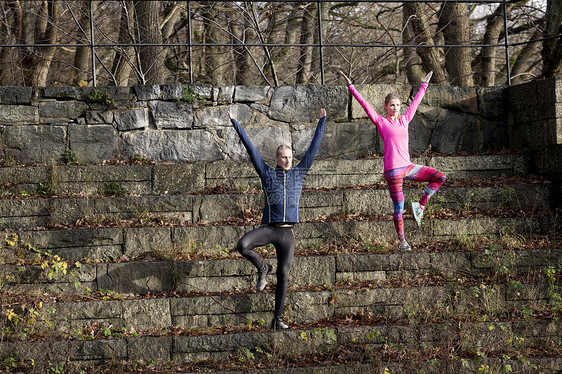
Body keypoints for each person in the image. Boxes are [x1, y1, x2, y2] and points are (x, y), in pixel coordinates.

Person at [228, 108, 326, 329]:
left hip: (287, 233)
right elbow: (251, 149)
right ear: (277, 158)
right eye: (284, 157)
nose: (288, 160)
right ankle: (262, 268)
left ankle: (277, 320)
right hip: (270, 228)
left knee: (283, 274)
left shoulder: (299, 173)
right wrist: (236, 123)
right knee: (242, 245)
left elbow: (313, 149)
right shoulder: (267, 173)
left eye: (290, 157)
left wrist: (322, 121)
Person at [340, 70, 446, 251]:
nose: (396, 108)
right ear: (386, 107)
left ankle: (420, 206)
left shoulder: (405, 120)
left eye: (397, 105)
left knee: (439, 177)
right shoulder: (381, 122)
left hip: (409, 167)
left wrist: (424, 85)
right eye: (392, 105)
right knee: (399, 208)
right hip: (393, 171)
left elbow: (415, 103)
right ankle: (403, 242)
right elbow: (366, 106)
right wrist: (352, 87)